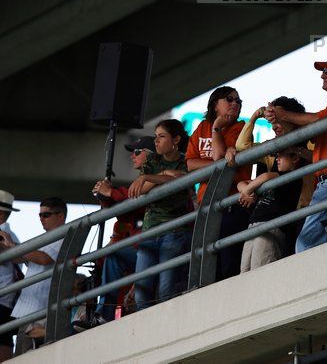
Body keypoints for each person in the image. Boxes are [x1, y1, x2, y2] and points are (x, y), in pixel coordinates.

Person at [266, 55, 327, 252]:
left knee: (305, 243)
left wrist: (283, 114)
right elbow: (316, 135)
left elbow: (319, 121)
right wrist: (277, 117)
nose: (322, 76)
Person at [82, 136, 153, 327]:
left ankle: (105, 312)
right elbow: (126, 212)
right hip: (137, 250)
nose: (132, 155)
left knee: (148, 309)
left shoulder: (156, 175)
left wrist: (111, 193)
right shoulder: (141, 179)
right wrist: (105, 197)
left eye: (137, 152)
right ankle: (103, 313)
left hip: (153, 247)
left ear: (151, 155)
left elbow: (141, 200)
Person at [186, 86, 251, 280]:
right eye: (229, 99)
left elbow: (218, 157)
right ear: (215, 104)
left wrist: (216, 129)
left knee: (228, 263)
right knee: (207, 262)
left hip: (232, 204)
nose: (235, 104)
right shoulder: (201, 127)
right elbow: (189, 163)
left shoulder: (241, 128)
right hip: (206, 204)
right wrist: (214, 165)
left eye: (238, 101)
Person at [130, 119, 191, 310]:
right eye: (156, 136)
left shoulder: (185, 160)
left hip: (174, 232)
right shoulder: (151, 161)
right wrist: (163, 175)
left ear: (176, 139)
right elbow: (142, 190)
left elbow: (181, 178)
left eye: (161, 136)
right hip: (149, 232)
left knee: (166, 289)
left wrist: (149, 177)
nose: (156, 141)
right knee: (141, 292)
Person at [1, 198, 66, 356]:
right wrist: (6, 246)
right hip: (26, 312)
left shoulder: (63, 237)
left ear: (61, 216)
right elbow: (19, 259)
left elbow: (44, 259)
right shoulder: (44, 239)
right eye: (40, 215)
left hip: (39, 312)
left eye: (46, 215)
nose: (41, 219)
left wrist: (12, 246)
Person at [237, 148, 304, 272]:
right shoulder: (269, 179)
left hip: (270, 228)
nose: (277, 159)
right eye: (276, 156)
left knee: (260, 270)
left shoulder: (293, 177)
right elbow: (240, 183)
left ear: (295, 158)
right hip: (254, 226)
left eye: (281, 155)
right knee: (245, 271)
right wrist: (247, 192)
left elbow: (266, 176)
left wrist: (247, 191)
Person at [0, 191, 20, 362]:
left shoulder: (3, 235)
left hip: (1, 300)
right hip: (6, 301)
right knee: (4, 341)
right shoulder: (10, 236)